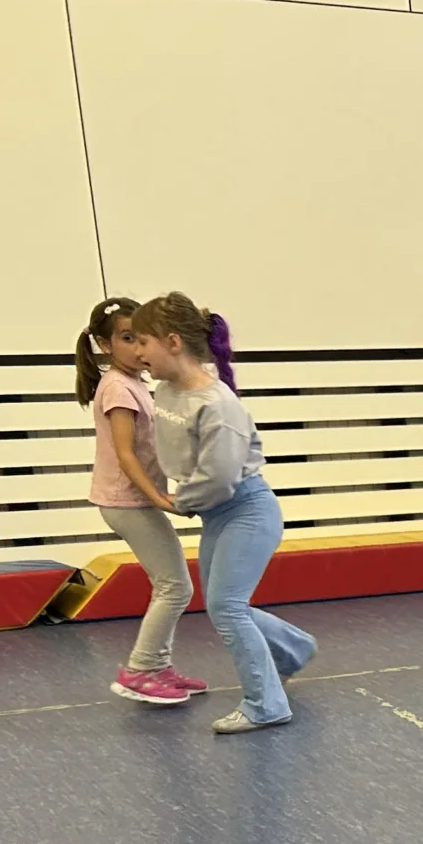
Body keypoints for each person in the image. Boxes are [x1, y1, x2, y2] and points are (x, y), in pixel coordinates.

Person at [132, 294, 316, 735]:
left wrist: (182, 501)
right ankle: (293, 648)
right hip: (217, 513)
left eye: (143, 342)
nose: (137, 353)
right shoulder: (167, 391)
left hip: (246, 510)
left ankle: (265, 704)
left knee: (227, 608)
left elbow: (220, 476)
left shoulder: (218, 405)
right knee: (222, 604)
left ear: (173, 342)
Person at [76, 296, 202, 708]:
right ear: (104, 344)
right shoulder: (118, 388)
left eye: (141, 338)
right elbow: (126, 454)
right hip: (127, 502)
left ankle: (157, 666)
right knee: (175, 587)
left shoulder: (134, 384)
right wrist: (159, 498)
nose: (137, 347)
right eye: (126, 338)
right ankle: (141, 670)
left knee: (173, 585)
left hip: (133, 500)